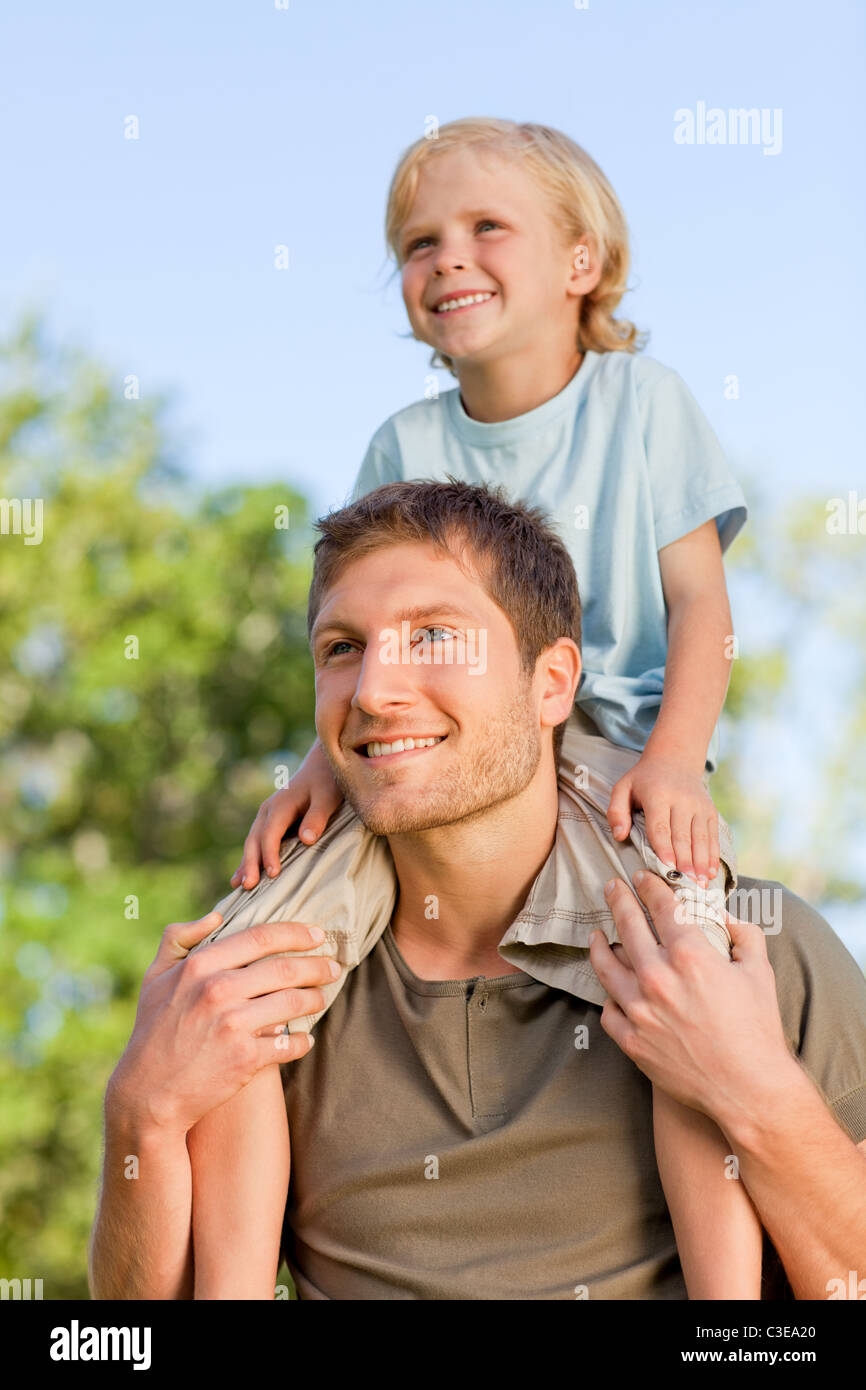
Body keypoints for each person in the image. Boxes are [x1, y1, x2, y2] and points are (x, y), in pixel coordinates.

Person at [89, 480, 866, 1301]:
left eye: (433, 637)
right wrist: (141, 1109)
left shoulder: (755, 953)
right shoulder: (259, 990)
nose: (373, 692)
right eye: (342, 648)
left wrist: (759, 1097)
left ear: (552, 684)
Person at [222, 117, 755, 1292]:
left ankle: (730, 1316)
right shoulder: (403, 441)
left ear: (579, 263)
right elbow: (363, 634)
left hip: (614, 752)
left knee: (687, 994)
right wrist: (318, 771)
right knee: (242, 977)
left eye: (483, 229)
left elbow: (700, 611)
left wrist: (671, 762)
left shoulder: (642, 405)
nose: (444, 258)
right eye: (417, 243)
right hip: (436, 766)